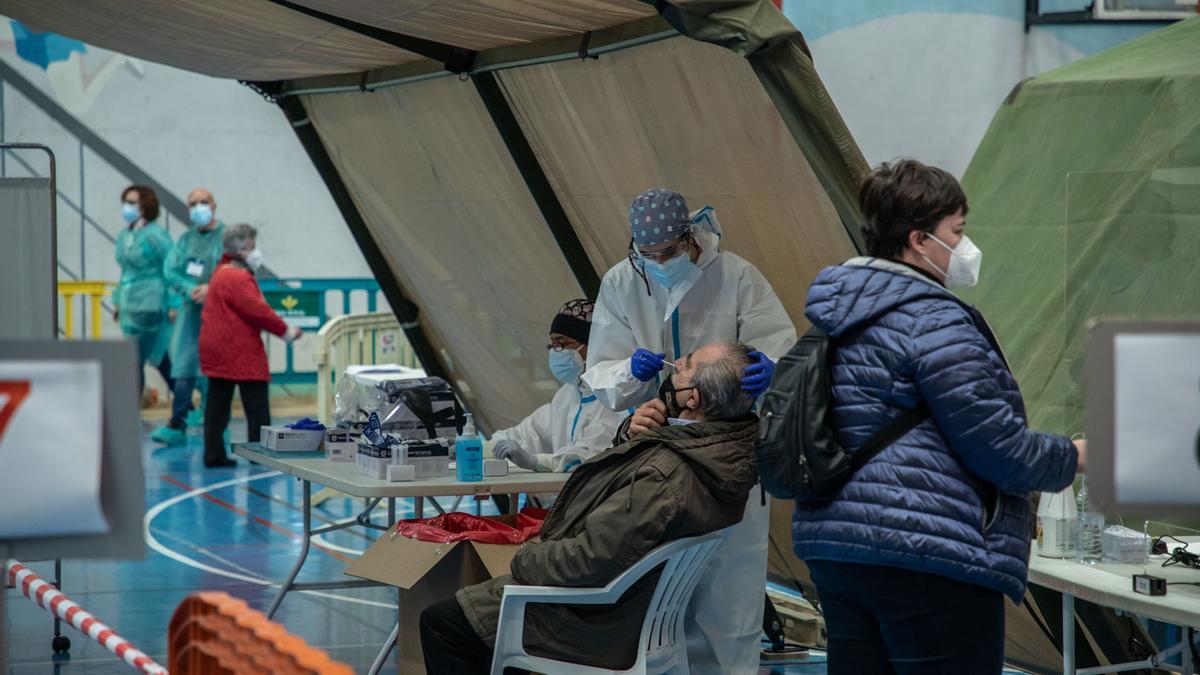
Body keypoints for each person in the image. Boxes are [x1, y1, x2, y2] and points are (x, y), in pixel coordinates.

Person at [794, 159, 1085, 674]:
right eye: (959, 231)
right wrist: (1076, 456)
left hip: (837, 549)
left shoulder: (835, 317)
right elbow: (1001, 451)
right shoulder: (934, 320)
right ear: (920, 240)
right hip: (924, 554)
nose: (967, 246)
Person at [419, 341, 760, 674]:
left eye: (684, 367)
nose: (674, 369)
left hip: (593, 621)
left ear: (693, 399)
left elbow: (588, 559)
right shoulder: (719, 456)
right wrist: (632, 435)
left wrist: (526, 556)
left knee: (442, 624)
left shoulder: (664, 475)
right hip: (630, 610)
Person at [583, 187, 795, 673]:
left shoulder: (737, 276)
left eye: (669, 252)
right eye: (648, 255)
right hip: (660, 451)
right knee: (655, 605)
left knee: (730, 599)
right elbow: (602, 374)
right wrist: (627, 373)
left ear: (689, 237)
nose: (658, 262)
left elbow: (782, 352)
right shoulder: (622, 283)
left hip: (730, 453)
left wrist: (774, 371)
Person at [198, 224, 300, 468]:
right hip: (238, 348)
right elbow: (258, 311)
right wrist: (286, 331)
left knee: (217, 404)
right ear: (242, 250)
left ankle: (213, 453)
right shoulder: (237, 277)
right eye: (253, 247)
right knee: (256, 402)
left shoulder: (220, 272)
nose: (256, 253)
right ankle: (259, 451)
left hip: (215, 347)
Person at [489, 299, 621, 474]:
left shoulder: (615, 397)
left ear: (592, 345)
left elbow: (588, 455)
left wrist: (535, 461)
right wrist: (472, 447)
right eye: (553, 344)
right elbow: (528, 434)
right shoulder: (569, 394)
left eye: (562, 343)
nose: (555, 351)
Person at [150, 188, 226, 446]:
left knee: (215, 369)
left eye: (203, 202)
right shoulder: (185, 241)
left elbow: (233, 267)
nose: (198, 207)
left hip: (219, 313)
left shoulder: (226, 237)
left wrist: (211, 288)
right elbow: (170, 269)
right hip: (191, 313)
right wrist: (188, 287)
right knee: (183, 367)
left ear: (214, 205)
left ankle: (217, 423)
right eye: (193, 203)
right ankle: (177, 424)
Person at [112, 184, 175, 399]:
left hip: (152, 304)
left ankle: (133, 410)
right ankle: (184, 407)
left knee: (140, 358)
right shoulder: (124, 236)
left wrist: (173, 302)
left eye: (132, 203)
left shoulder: (155, 235)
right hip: (131, 305)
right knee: (152, 358)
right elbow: (126, 270)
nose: (126, 207)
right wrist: (118, 301)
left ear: (145, 206)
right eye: (125, 203)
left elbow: (172, 267)